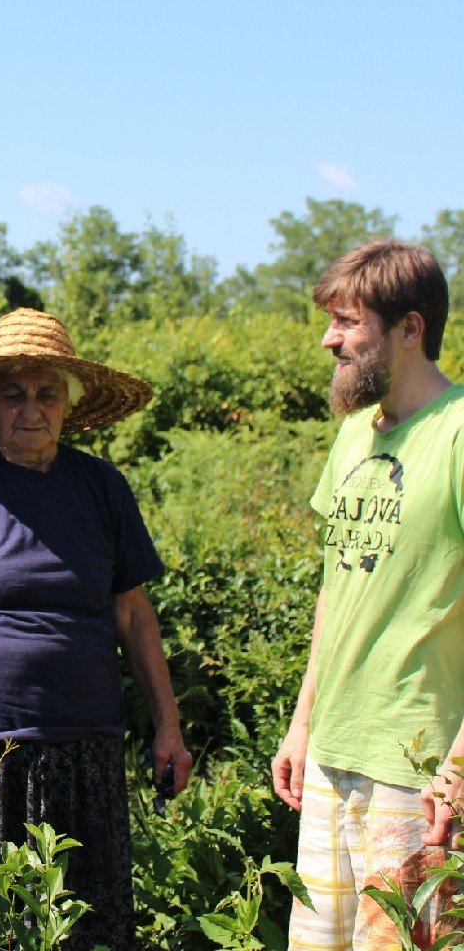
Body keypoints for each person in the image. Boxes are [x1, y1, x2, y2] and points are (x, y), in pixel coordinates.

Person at [0, 307, 192, 951]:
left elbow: (133, 614)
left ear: (69, 404)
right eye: (13, 393)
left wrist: (167, 726)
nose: (31, 408)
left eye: (47, 393)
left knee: (90, 925)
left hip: (89, 746)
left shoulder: (102, 486)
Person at [271, 240, 464, 948]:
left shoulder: (458, 433)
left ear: (410, 328)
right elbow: (338, 589)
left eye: (348, 322)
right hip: (331, 752)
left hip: (417, 768)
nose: (330, 339)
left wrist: (459, 769)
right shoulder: (355, 431)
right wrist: (302, 722)